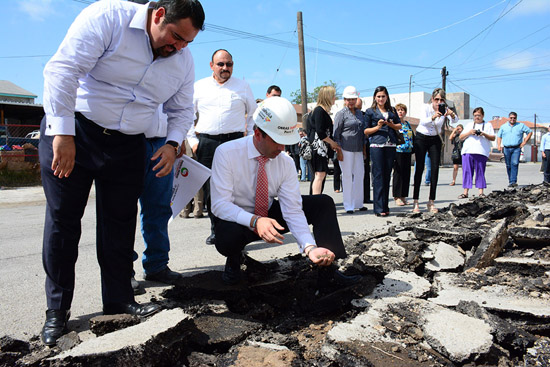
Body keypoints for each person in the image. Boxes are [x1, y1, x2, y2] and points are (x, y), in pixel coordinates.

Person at [39, 0, 205, 346]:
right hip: (77, 133)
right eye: (175, 37)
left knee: (119, 223)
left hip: (129, 143)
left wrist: (173, 144)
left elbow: (181, 109)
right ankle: (57, 311)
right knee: (64, 222)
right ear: (158, 14)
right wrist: (63, 134)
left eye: (186, 43)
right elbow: (62, 71)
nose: (177, 48)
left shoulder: (182, 60)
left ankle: (118, 301)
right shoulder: (107, 18)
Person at [209, 96, 361, 287]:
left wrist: (309, 247)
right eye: (277, 141)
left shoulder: (285, 162)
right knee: (227, 236)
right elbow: (219, 204)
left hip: (269, 214)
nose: (282, 148)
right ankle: (234, 260)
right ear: (258, 134)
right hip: (239, 220)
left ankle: (327, 268)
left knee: (323, 203)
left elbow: (292, 209)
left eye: (285, 142)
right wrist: (255, 220)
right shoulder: (227, 153)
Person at [188, 49, 257, 246]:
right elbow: (187, 115)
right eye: (221, 64)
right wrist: (193, 141)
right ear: (211, 66)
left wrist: (250, 139)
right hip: (206, 144)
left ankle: (238, 230)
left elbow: (253, 115)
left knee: (236, 189)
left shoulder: (243, 86)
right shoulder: (199, 87)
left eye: (229, 64)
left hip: (235, 142)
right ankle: (216, 229)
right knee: (211, 190)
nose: (225, 68)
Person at [412, 88, 458, 213]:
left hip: (435, 139)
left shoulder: (444, 110)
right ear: (432, 99)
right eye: (436, 99)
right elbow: (423, 122)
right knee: (420, 168)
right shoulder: (426, 108)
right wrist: (434, 116)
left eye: (441, 100)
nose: (438, 102)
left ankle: (431, 201)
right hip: (422, 137)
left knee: (434, 169)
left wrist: (451, 114)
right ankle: (416, 201)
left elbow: (456, 121)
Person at [363, 86, 402, 217]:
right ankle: (378, 208)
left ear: (387, 97)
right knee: (378, 176)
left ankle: (385, 206)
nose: (381, 99)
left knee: (387, 176)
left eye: (383, 96)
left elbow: (399, 125)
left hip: (390, 145)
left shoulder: (391, 110)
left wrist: (390, 124)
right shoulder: (370, 112)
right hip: (376, 145)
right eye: (378, 96)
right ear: (375, 97)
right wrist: (378, 126)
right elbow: (366, 131)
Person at [333, 86, 366, 213]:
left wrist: (364, 149)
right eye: (348, 99)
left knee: (359, 175)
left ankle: (358, 203)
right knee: (347, 176)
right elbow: (336, 134)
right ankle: (348, 205)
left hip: (358, 149)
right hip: (345, 149)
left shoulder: (359, 113)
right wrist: (339, 150)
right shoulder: (341, 114)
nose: (351, 102)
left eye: (353, 99)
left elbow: (362, 133)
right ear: (345, 100)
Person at [307, 86, 341, 195]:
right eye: (333, 96)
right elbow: (320, 132)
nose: (334, 98)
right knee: (319, 175)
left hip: (322, 149)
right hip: (318, 149)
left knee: (320, 175)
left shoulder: (321, 111)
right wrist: (332, 142)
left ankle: (315, 200)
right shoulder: (319, 111)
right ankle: (316, 201)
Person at [458, 107, 495, 198]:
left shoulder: (488, 125)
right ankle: (465, 192)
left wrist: (483, 134)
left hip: (481, 152)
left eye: (478, 115)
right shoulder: (469, 125)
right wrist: (470, 132)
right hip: (468, 151)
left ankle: (481, 192)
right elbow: (461, 137)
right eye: (475, 116)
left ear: (483, 115)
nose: (477, 117)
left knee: (480, 172)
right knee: (467, 172)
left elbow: (493, 138)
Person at [496, 112, 533, 187]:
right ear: (508, 118)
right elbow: (499, 136)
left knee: (515, 163)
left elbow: (530, 132)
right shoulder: (503, 127)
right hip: (506, 148)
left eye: (514, 118)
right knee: (508, 165)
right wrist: (499, 145)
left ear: (516, 118)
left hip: (516, 148)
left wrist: (524, 142)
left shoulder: (521, 125)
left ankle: (513, 181)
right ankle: (510, 180)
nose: (512, 119)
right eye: (511, 118)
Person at [392, 103, 414, 206]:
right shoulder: (394, 124)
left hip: (408, 151)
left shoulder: (407, 124)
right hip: (398, 151)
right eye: (398, 110)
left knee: (406, 174)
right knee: (398, 174)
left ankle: (403, 196)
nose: (400, 112)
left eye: (402, 110)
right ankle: (397, 196)